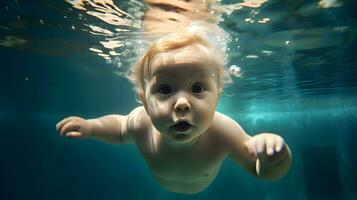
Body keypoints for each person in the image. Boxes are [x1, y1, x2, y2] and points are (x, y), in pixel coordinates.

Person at [56, 32, 292, 194]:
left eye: (197, 88)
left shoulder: (224, 132)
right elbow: (118, 128)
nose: (181, 103)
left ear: (217, 98)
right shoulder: (141, 123)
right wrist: (91, 127)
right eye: (165, 89)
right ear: (144, 102)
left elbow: (262, 173)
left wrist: (276, 158)